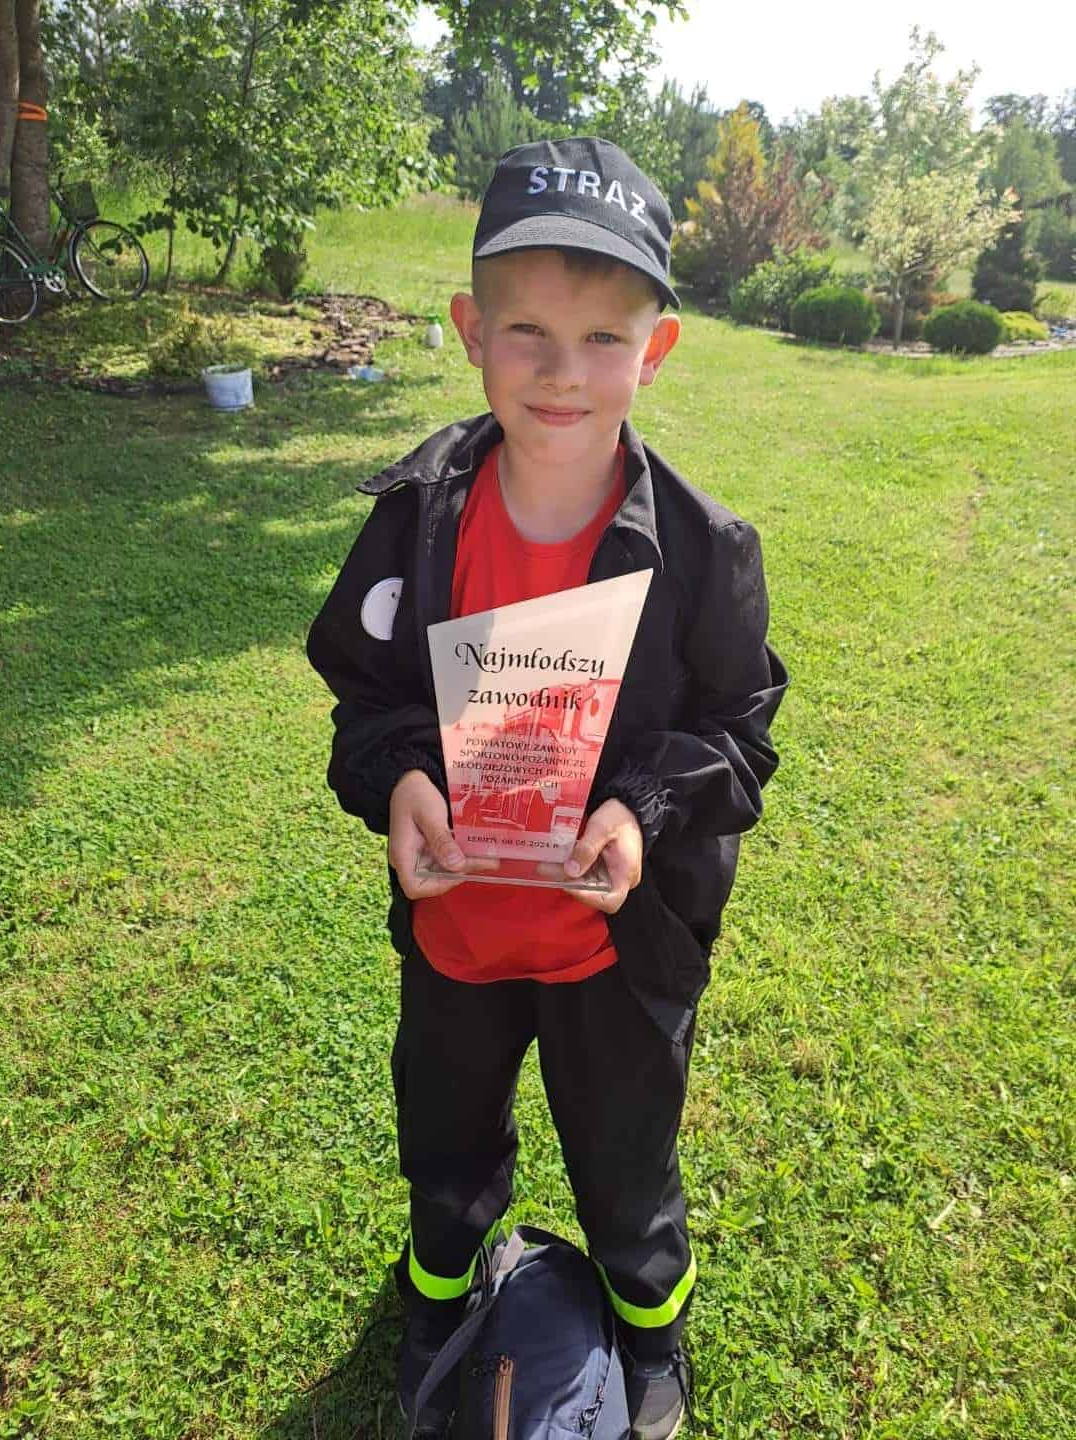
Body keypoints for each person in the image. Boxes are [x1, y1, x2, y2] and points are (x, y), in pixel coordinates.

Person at [306, 137, 789, 1440]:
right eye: (525, 329)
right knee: (447, 1150)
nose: (561, 370)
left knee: (627, 1168)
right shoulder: (417, 516)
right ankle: (439, 1301)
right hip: (459, 936)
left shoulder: (704, 551)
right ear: (471, 330)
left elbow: (738, 730)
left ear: (657, 350)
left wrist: (640, 809)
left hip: (612, 952)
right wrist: (402, 776)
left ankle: (651, 1330)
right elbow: (365, 691)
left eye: (601, 338)